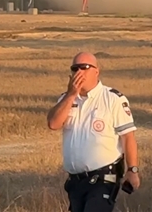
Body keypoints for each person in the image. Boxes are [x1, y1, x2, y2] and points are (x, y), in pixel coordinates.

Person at [46, 52, 140, 212]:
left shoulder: (112, 99)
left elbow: (128, 137)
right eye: (75, 68)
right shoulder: (66, 99)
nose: (79, 72)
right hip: (76, 182)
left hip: (103, 178)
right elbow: (53, 123)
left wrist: (132, 170)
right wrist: (71, 94)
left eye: (84, 67)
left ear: (97, 71)